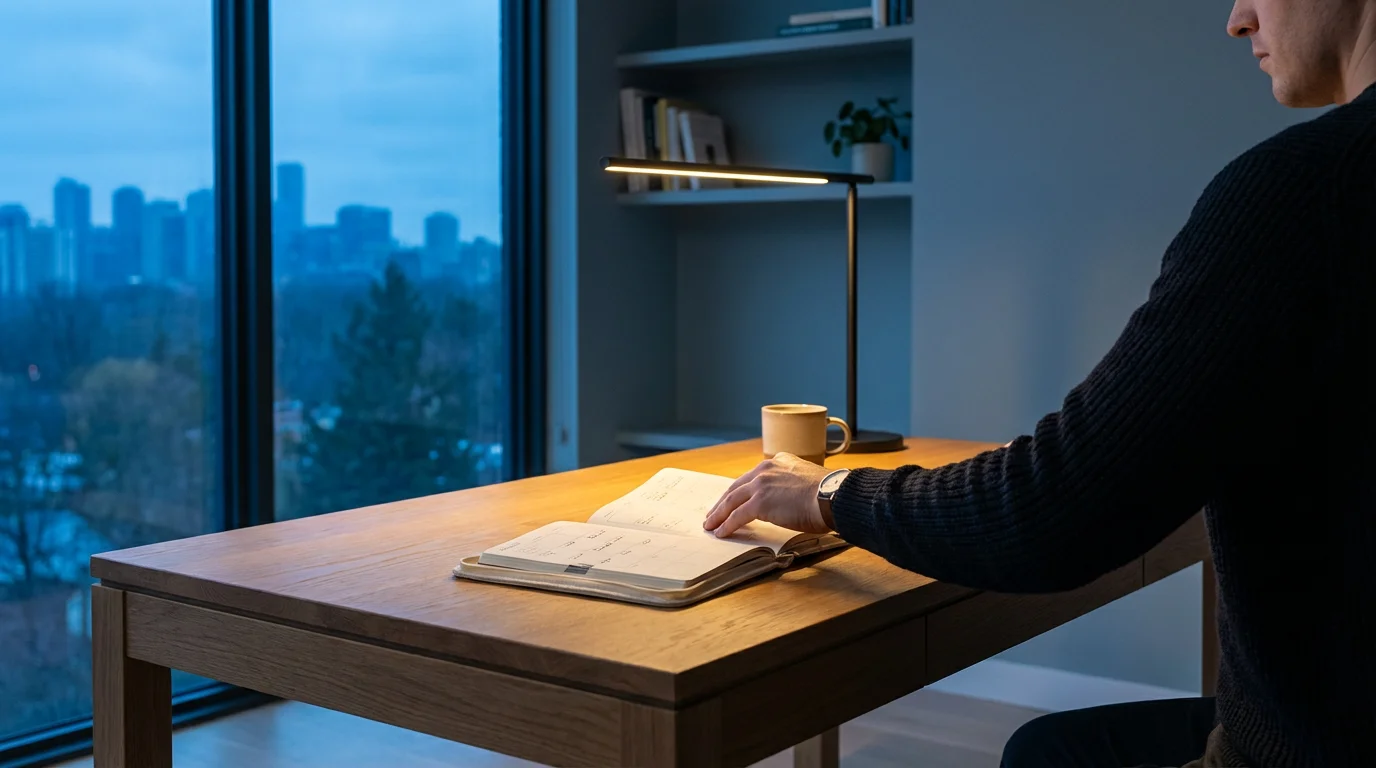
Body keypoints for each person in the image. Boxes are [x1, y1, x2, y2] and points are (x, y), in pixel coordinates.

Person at [703, 0, 1376, 765]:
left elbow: (1053, 510)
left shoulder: (1303, 194)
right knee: (1051, 744)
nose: (1237, 19)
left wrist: (830, 494)